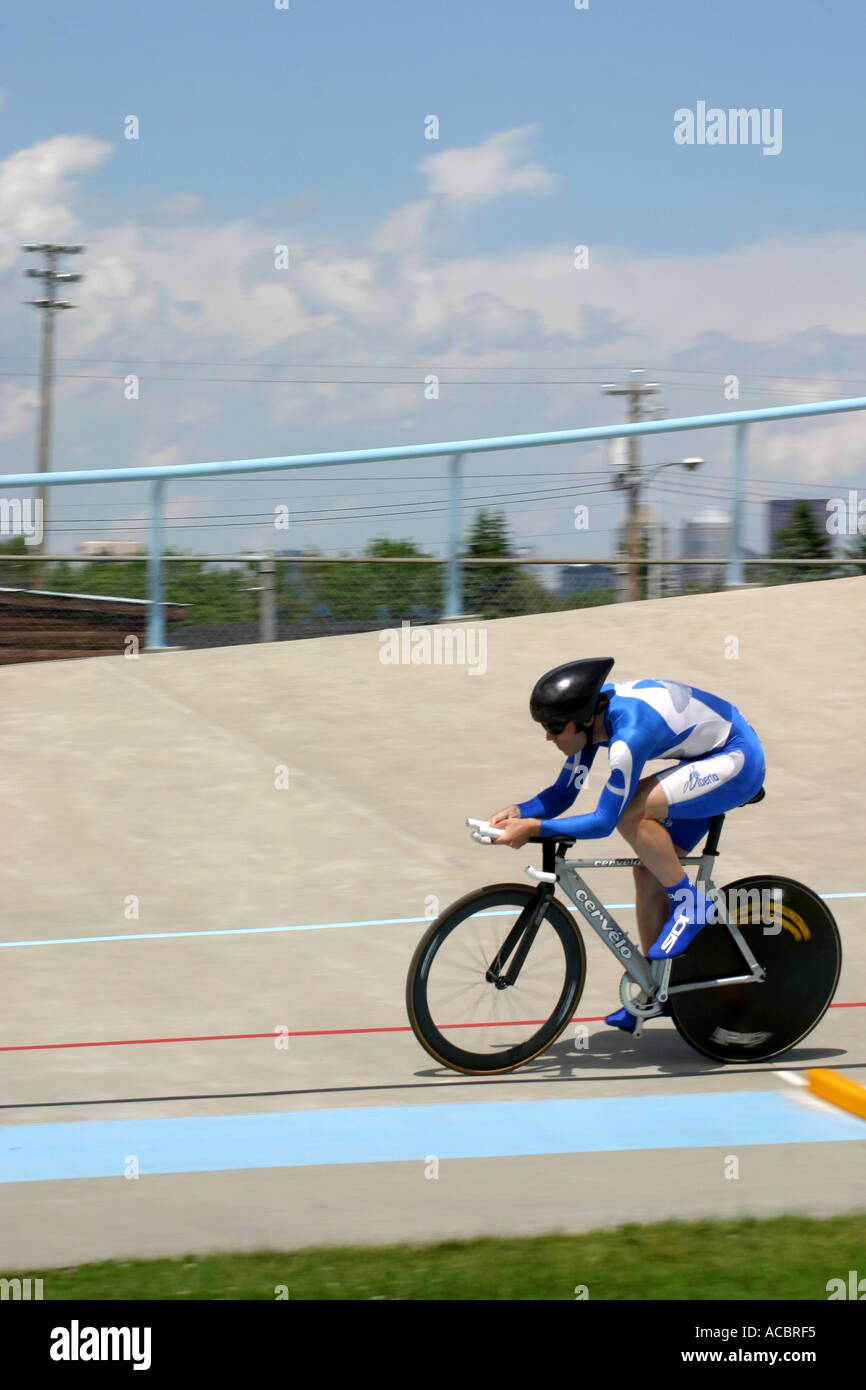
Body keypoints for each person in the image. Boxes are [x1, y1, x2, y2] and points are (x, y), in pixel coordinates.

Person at [489, 657, 766, 1031]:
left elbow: (606, 821)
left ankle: (691, 902)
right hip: (704, 758)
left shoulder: (628, 738)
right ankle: (657, 992)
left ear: (585, 719)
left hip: (735, 760)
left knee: (631, 812)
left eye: (555, 727)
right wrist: (519, 811)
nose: (548, 736)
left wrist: (535, 828)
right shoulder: (589, 717)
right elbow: (562, 793)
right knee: (648, 873)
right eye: (544, 727)